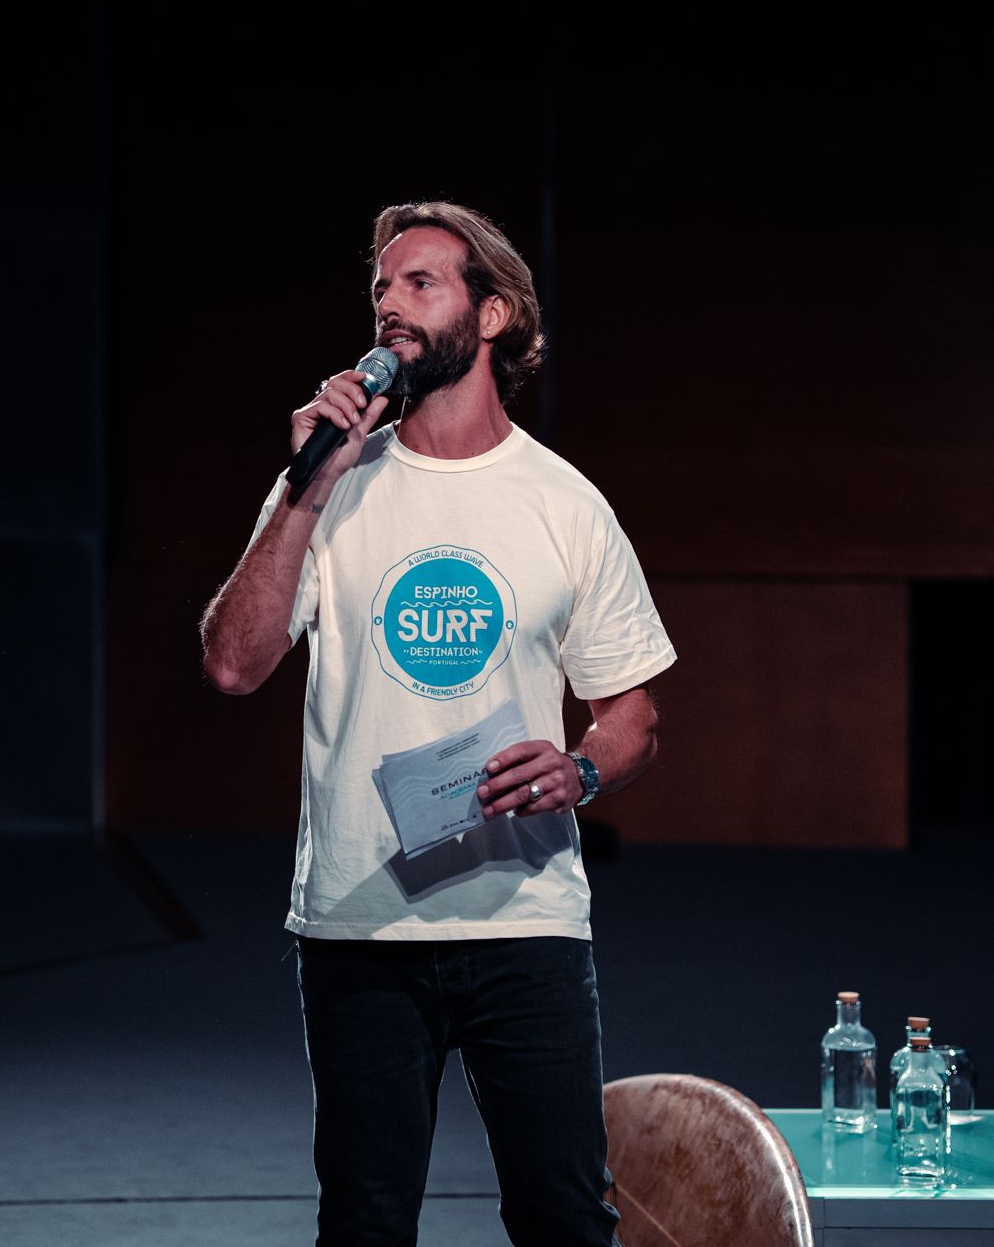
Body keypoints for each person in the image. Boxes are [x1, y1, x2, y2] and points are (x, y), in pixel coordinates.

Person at [200, 203, 676, 1246]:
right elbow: (233, 664)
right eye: (381, 286)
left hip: (525, 922)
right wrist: (305, 491)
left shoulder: (563, 502)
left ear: (492, 314)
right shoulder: (329, 486)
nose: (389, 304)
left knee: (563, 1217)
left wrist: (581, 773)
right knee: (365, 1220)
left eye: (420, 283)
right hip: (362, 924)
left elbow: (631, 715)